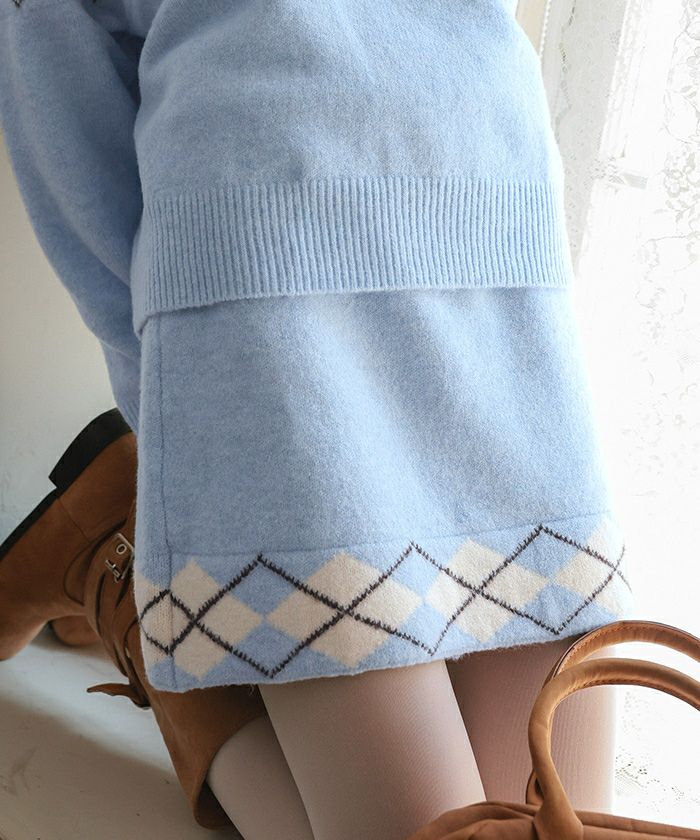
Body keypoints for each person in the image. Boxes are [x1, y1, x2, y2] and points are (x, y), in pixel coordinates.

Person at [0, 2, 635, 838]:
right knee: (429, 829)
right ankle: (124, 571)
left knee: (565, 822)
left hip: (494, 215)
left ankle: (127, 579)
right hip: (264, 282)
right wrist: (179, 422)